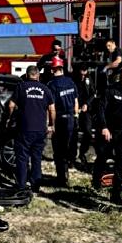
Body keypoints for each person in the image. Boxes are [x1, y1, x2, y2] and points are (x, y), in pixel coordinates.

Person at [91, 67, 122, 204]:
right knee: (102, 157)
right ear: (121, 79)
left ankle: (116, 194)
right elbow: (100, 109)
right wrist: (104, 127)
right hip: (108, 132)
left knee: (121, 161)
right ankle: (96, 182)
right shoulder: (110, 90)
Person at [8, 65, 55, 193]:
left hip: (24, 128)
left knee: (22, 158)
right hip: (40, 129)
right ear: (38, 75)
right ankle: (35, 185)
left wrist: (11, 118)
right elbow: (52, 109)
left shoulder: (21, 87)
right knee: (36, 158)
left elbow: (11, 105)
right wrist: (51, 124)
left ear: (27, 75)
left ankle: (21, 185)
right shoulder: (45, 89)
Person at [46, 57, 79, 187]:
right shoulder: (71, 82)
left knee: (59, 150)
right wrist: (75, 117)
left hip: (59, 120)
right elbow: (76, 102)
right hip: (71, 119)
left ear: (54, 69)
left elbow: (51, 107)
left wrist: (50, 124)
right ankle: (66, 174)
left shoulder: (52, 85)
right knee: (68, 148)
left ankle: (62, 178)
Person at [73, 62, 96, 165]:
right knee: (73, 133)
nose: (83, 76)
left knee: (88, 133)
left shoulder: (89, 79)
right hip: (74, 109)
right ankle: (71, 156)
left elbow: (93, 93)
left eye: (84, 74)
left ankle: (82, 153)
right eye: (81, 74)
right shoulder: (73, 79)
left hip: (86, 110)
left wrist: (87, 104)